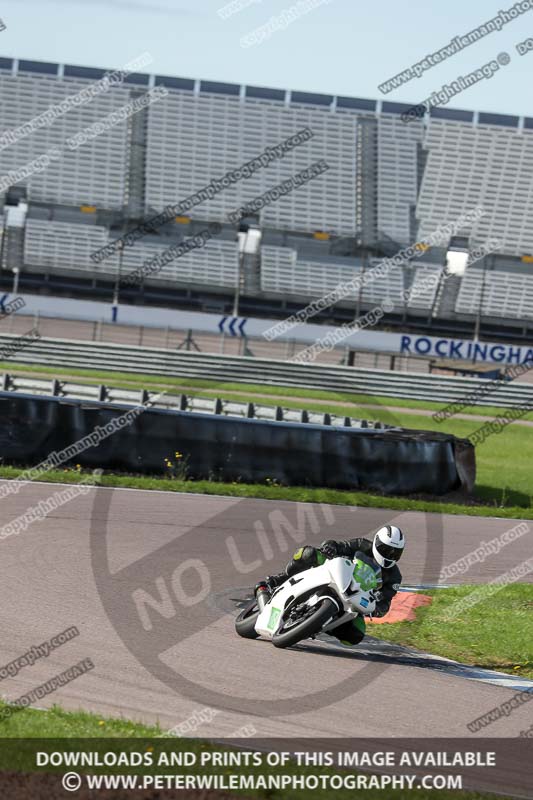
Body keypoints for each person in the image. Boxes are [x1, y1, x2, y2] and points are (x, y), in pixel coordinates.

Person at [255, 525, 405, 646]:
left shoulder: (394, 577)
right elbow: (339, 546)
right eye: (386, 550)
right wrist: (330, 547)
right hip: (336, 576)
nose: (390, 555)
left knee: (356, 635)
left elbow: (385, 603)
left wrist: (377, 608)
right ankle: (279, 580)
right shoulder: (361, 545)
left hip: (353, 599)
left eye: (395, 553)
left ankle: (319, 624)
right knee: (307, 553)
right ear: (376, 542)